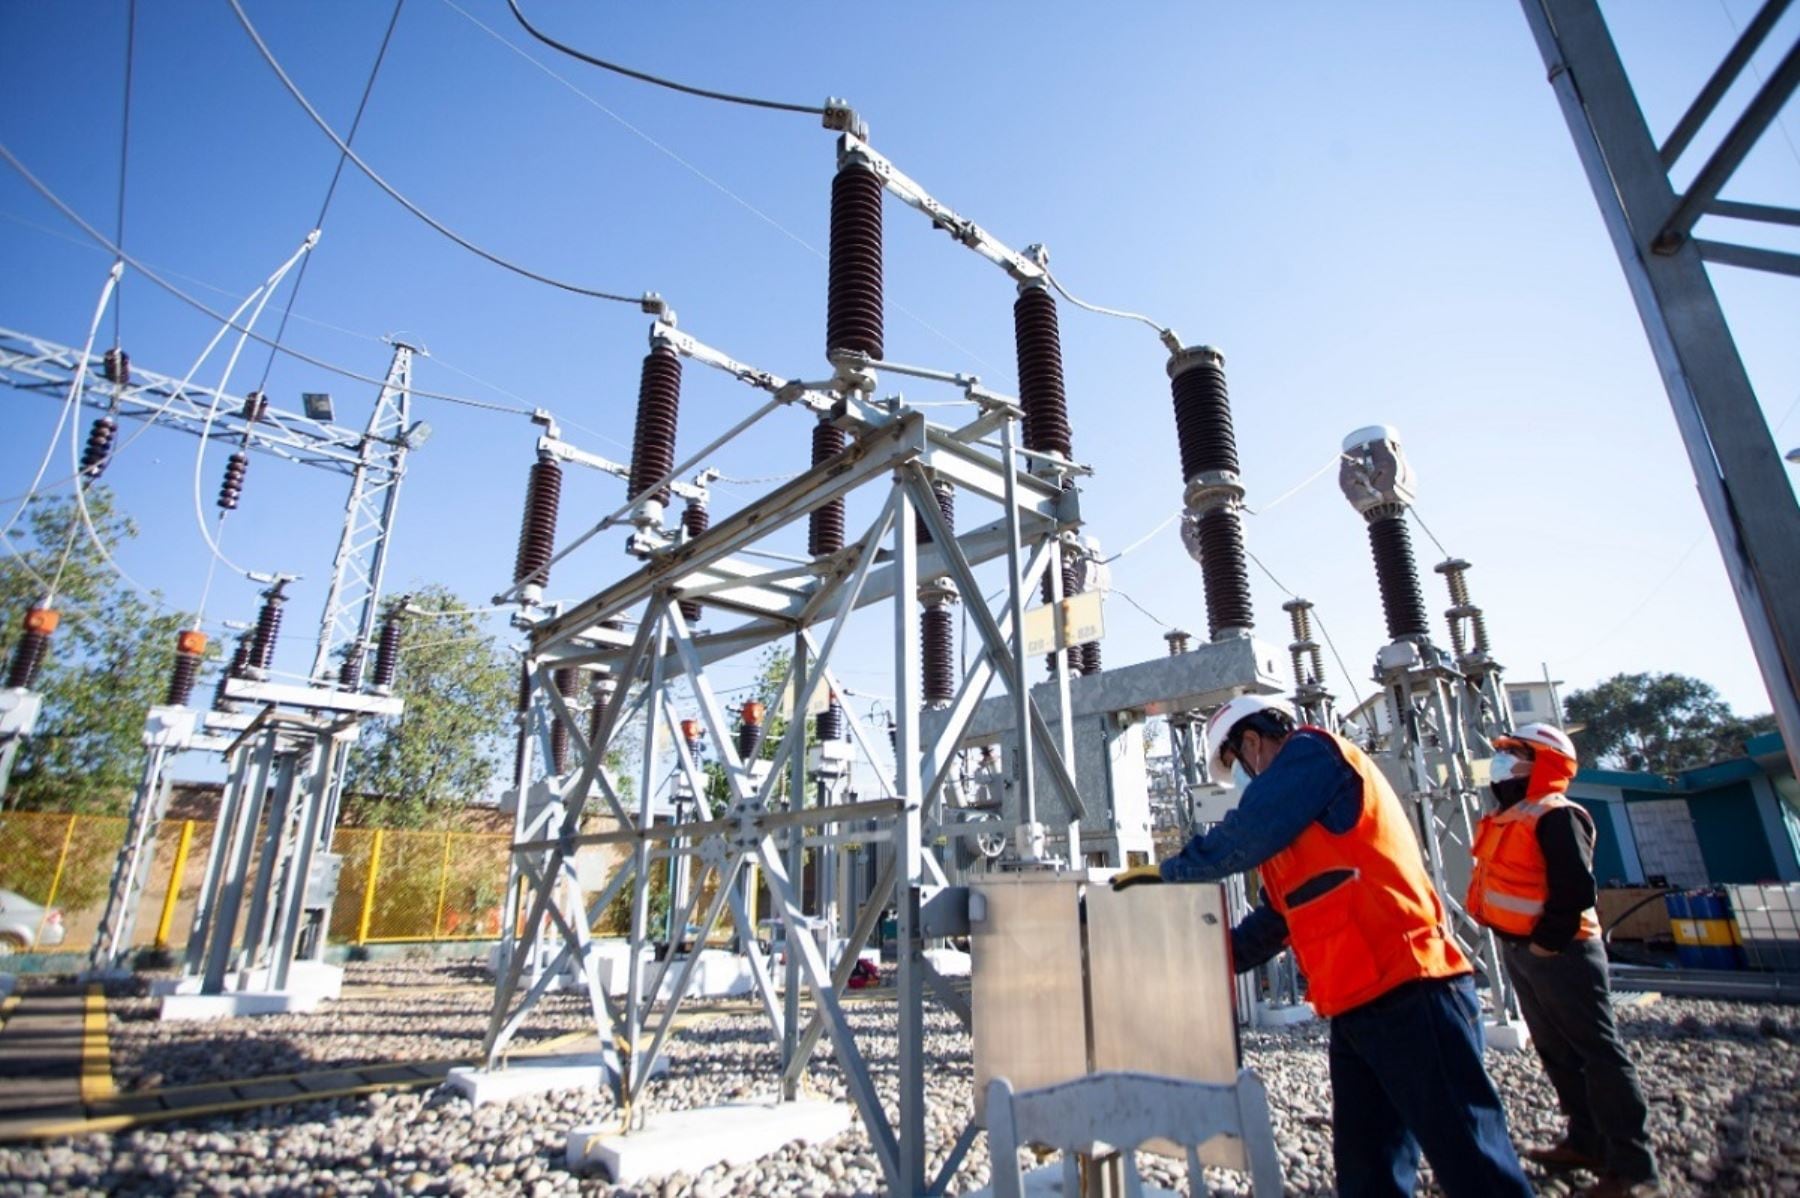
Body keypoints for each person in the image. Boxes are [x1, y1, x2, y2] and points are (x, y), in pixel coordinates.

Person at [1112, 695, 1533, 1198]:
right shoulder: (1293, 837)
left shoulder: (1313, 752)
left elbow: (1247, 833)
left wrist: (1170, 873)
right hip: (1356, 1007)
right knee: (1368, 1171)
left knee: (1474, 1166)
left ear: (1252, 741)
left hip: (1413, 988)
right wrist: (1196, 959)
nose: (1241, 781)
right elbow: (1274, 923)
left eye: (1235, 764)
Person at [1468, 723, 1662, 1198]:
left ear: (1546, 762)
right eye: (1504, 753)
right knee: (1558, 1051)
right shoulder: (1511, 815)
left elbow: (1575, 888)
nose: (1503, 762)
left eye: (1516, 753)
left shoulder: (1556, 814)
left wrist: (1547, 942)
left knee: (1597, 1053)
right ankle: (1587, 1142)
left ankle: (1634, 1169)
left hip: (1564, 951)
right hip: (1523, 951)